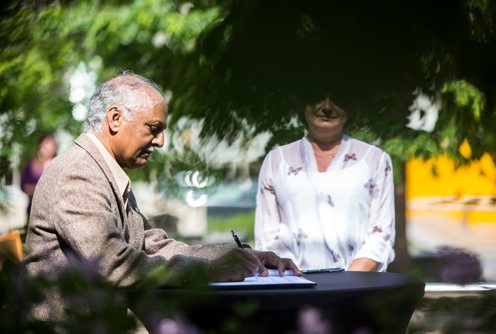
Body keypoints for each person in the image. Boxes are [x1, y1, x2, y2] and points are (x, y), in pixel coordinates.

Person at [24, 72, 299, 325]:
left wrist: (240, 256)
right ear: (115, 119)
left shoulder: (103, 172)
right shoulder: (79, 173)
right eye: (153, 128)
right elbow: (114, 264)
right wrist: (207, 270)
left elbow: (156, 246)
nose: (160, 142)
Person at [254, 95, 395, 272]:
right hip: (292, 287)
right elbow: (267, 238)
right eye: (318, 97)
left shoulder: (375, 160)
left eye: (337, 98)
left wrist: (347, 285)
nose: (327, 107)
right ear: (302, 106)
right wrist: (297, 283)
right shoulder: (276, 161)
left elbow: (381, 235)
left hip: (358, 288)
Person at [20, 132, 58, 220]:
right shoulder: (31, 163)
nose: (47, 147)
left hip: (51, 210)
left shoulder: (57, 163)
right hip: (33, 208)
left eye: (51, 144)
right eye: (45, 144)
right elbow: (23, 185)